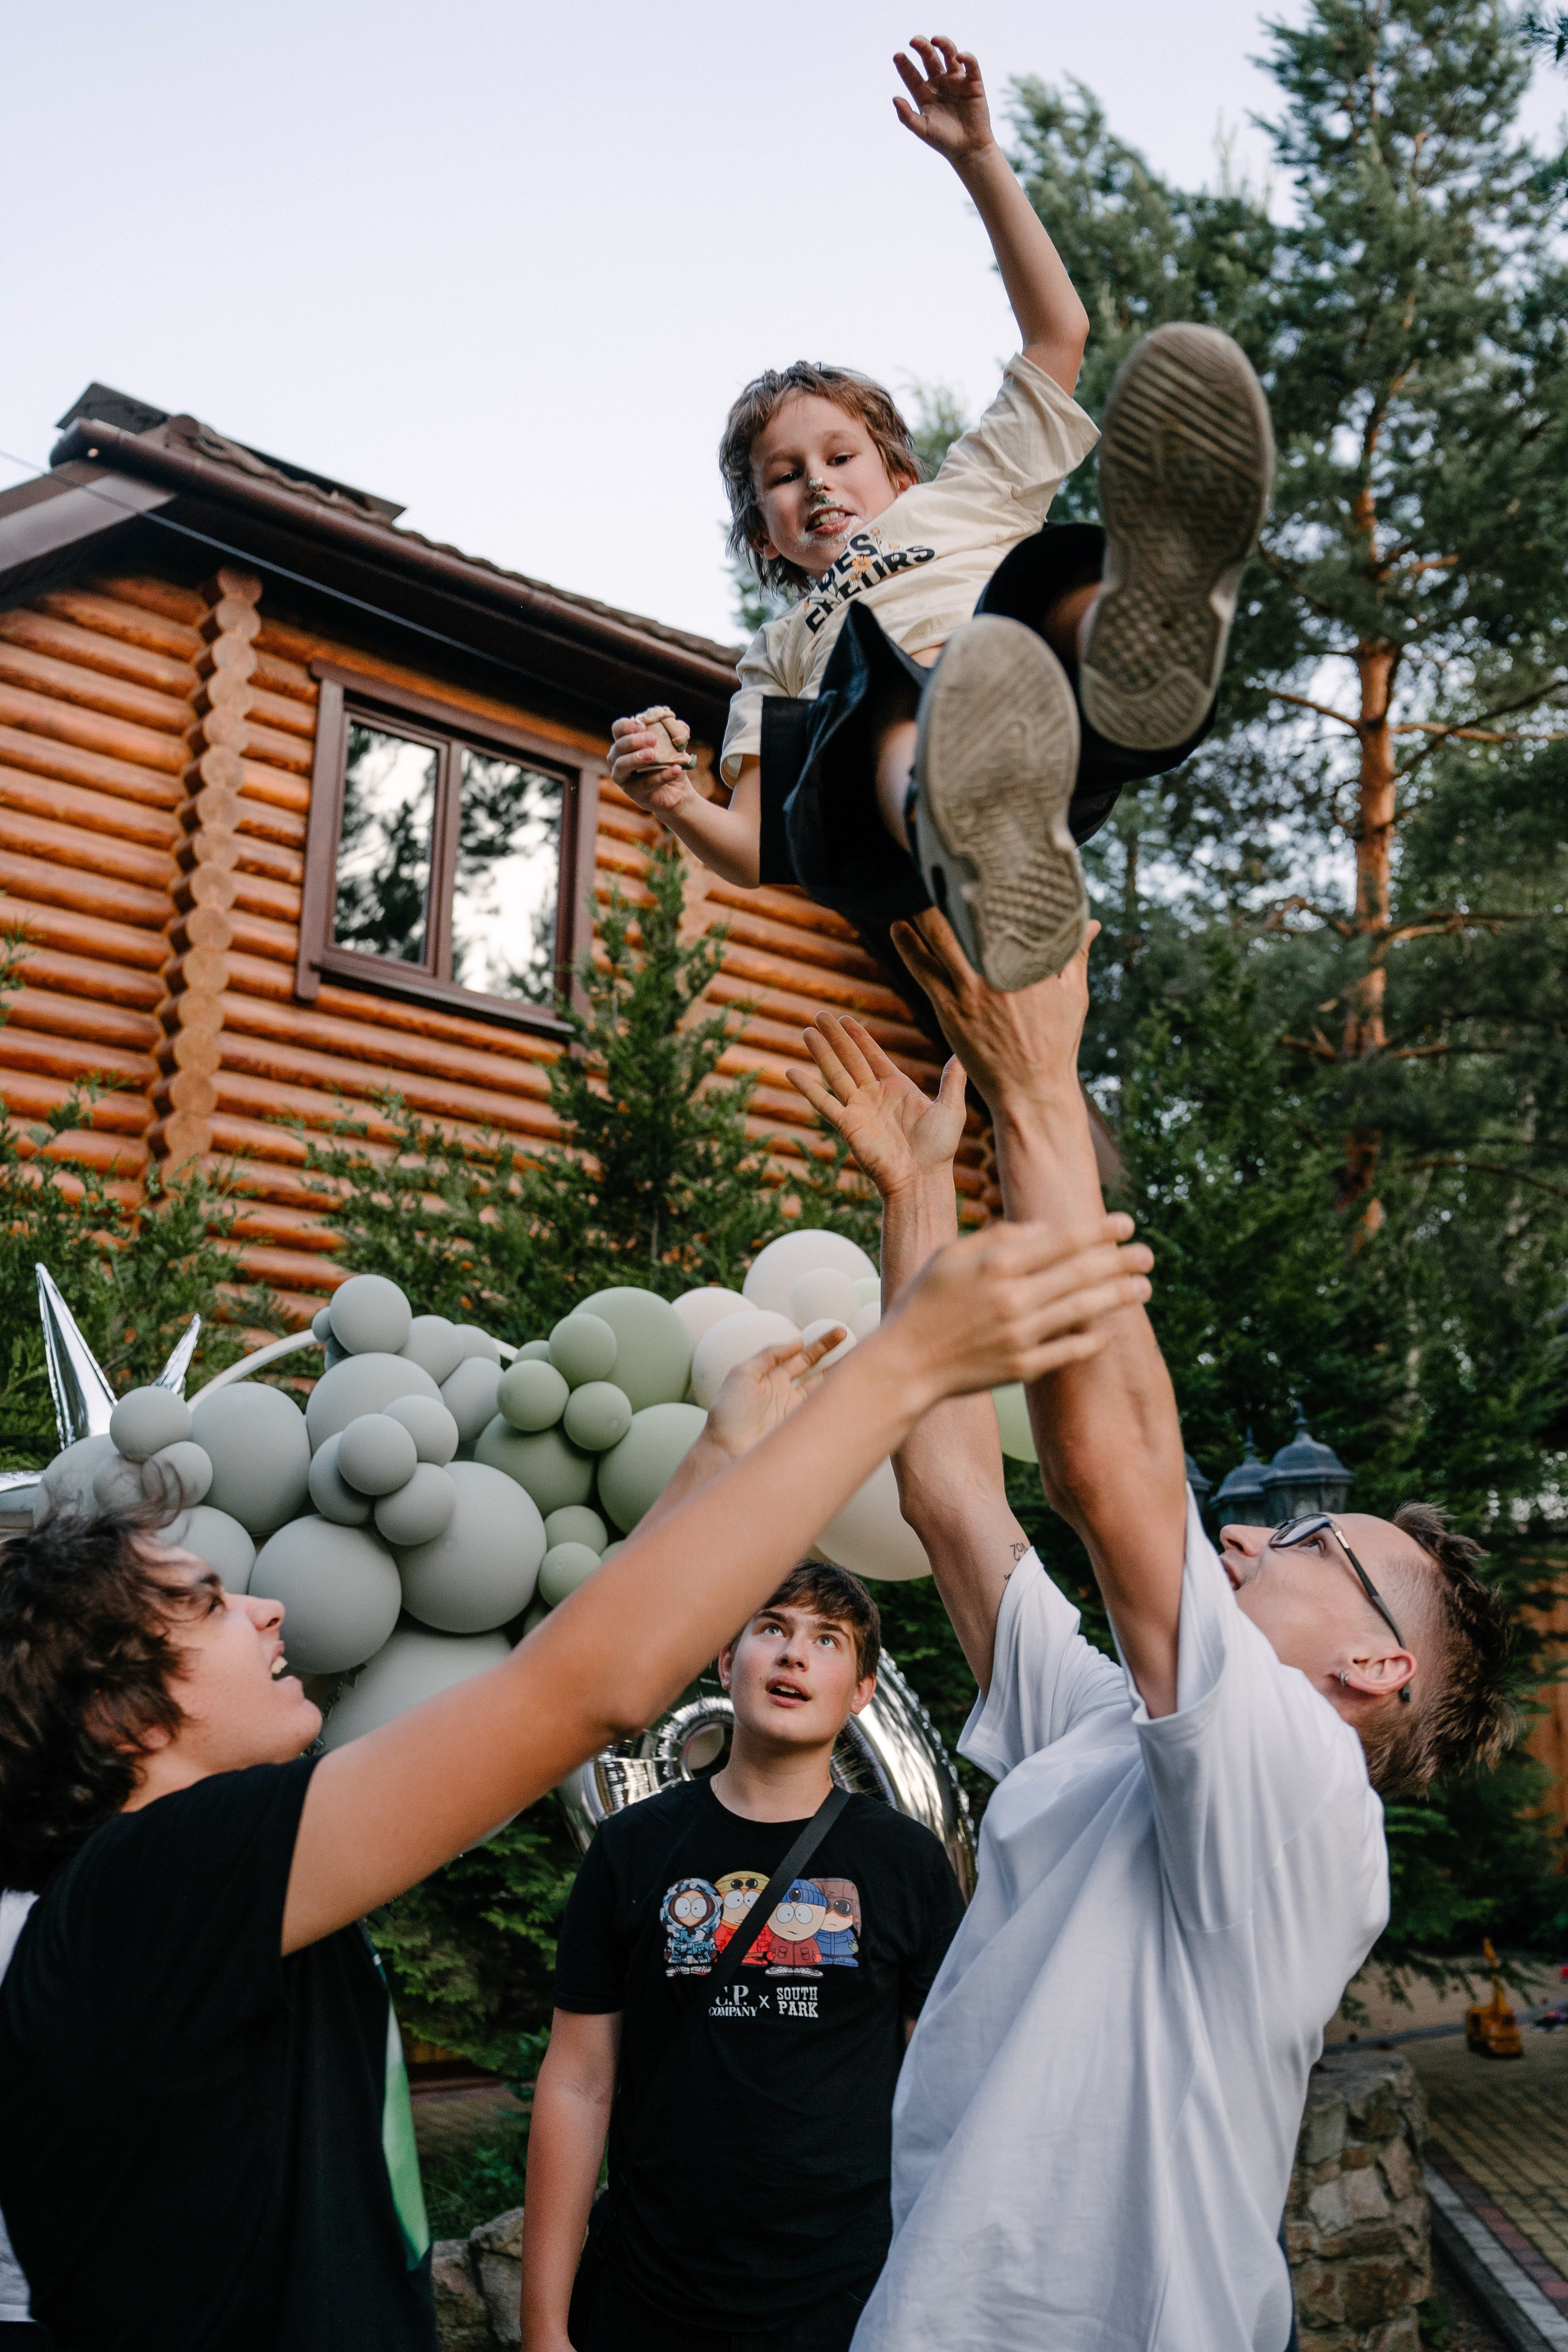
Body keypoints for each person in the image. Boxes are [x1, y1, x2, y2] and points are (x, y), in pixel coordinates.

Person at [0, 1212, 1150, 2352]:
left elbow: (555, 1683)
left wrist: (716, 1456)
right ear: (119, 1709)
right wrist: (903, 1367)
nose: (265, 1603)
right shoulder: (151, 1892)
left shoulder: (162, 1900)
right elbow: (581, 1690)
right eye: (205, 1602)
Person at [785, 929, 1515, 2351]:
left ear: (1375, 1670)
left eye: (1309, 1545)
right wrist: (920, 1191)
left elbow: (1107, 1473)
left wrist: (1039, 1082)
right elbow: (949, 1498)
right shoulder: (1110, 1734)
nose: (1246, 1534)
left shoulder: (1302, 1795)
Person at [609, 36, 1273, 995]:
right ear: (764, 533)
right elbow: (753, 845)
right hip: (924, 801)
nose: (820, 485)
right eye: (787, 478)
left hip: (1050, 717)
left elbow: (1059, 333)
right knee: (875, 698)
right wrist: (673, 796)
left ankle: (1142, 643)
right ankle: (957, 830)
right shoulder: (784, 644)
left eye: (841, 458)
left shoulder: (964, 498)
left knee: (1044, 582)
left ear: (903, 477)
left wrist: (977, 159)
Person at [522, 1502, 962, 2352]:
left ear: (862, 1691)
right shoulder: (631, 1849)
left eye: (829, 1639)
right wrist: (544, 2322)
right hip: (652, 2294)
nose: (796, 1651)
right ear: (729, 1661)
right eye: (773, 1629)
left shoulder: (906, 1862)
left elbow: (941, 2094)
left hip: (845, 2299)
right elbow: (578, 2083)